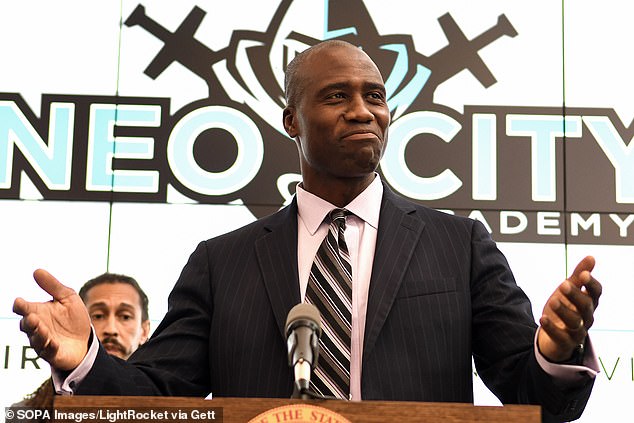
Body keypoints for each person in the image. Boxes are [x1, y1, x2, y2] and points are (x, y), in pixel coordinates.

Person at [13, 40, 601, 422]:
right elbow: (160, 399)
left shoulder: (458, 245)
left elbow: (536, 399)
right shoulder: (222, 263)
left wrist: (553, 351)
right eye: (336, 97)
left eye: (375, 97)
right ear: (291, 119)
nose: (362, 111)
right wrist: (85, 359)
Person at [12, 273, 150, 410]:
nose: (111, 329)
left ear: (144, 331)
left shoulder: (166, 405)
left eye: (125, 317)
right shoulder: (27, 412)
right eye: (98, 316)